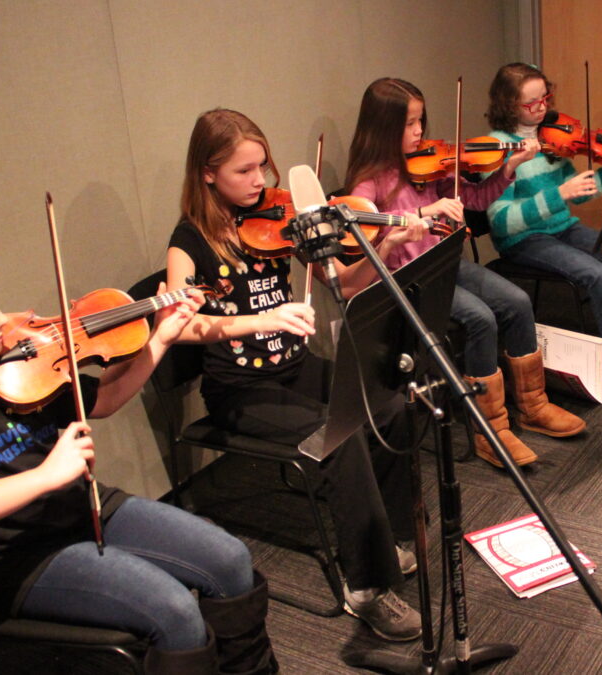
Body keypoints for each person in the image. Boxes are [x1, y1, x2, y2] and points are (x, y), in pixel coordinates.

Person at [0, 235, 275, 674]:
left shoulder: (14, 361)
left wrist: (160, 339)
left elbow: (107, 398)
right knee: (174, 611)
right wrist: (47, 475)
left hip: (83, 509)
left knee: (229, 560)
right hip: (16, 556)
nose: (2, 322)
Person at [166, 108, 426, 642]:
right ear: (207, 173)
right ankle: (368, 588)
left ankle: (393, 539)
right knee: (339, 438)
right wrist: (263, 318)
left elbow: (345, 285)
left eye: (262, 166)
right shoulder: (189, 241)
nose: (260, 181)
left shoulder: (277, 220)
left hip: (295, 367)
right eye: (244, 171)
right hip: (241, 389)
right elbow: (181, 324)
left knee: (391, 403)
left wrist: (384, 245)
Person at [344, 77, 586, 469]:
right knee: (480, 318)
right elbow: (367, 231)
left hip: (446, 262)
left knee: (517, 301)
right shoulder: (368, 182)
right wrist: (424, 212)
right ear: (382, 126)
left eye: (420, 121)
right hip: (411, 279)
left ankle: (533, 406)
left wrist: (510, 165)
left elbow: (475, 198)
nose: (419, 131)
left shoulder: (430, 160)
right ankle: (490, 429)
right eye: (408, 124)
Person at [483, 63, 602, 404]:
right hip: (524, 239)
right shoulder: (495, 148)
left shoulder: (553, 135)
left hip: (563, 228)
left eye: (545, 97)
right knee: (597, 273)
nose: (542, 107)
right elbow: (501, 222)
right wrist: (558, 196)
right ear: (508, 105)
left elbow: (580, 190)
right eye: (532, 103)